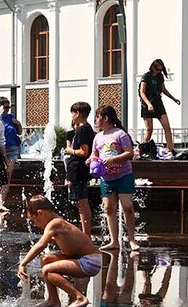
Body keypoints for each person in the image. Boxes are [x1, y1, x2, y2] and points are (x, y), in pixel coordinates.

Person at [18, 194, 102, 307]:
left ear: (41, 213)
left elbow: (41, 245)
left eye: (34, 220)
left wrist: (23, 263)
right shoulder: (57, 222)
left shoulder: (55, 224)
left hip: (89, 262)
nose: (35, 224)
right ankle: (53, 300)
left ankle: (80, 298)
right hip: (84, 259)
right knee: (46, 259)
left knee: (47, 270)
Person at [91, 105, 141, 252]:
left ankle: (131, 240)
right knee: (109, 208)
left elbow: (129, 153)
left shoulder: (120, 134)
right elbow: (94, 154)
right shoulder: (97, 137)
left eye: (97, 117)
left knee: (127, 207)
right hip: (106, 178)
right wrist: (92, 159)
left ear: (105, 118)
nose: (96, 120)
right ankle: (114, 241)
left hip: (123, 175)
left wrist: (114, 159)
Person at [64, 101, 95, 237]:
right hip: (78, 170)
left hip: (78, 170)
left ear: (78, 113)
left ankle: (86, 233)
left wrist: (70, 151)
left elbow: (84, 151)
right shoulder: (86, 128)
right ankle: (85, 232)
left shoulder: (83, 129)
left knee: (82, 201)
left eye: (73, 112)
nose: (71, 115)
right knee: (80, 201)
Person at [138, 59, 180, 156]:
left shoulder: (160, 77)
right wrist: (148, 104)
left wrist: (173, 99)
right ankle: (144, 149)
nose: (158, 71)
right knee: (149, 129)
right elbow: (142, 92)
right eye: (157, 69)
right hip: (147, 103)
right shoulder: (146, 76)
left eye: (160, 70)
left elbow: (163, 89)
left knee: (167, 127)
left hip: (158, 103)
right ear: (153, 67)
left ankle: (171, 149)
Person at [0, 97, 23, 203]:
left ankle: (1, 201)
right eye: (5, 107)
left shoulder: (11, 117)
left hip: (12, 148)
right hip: (0, 149)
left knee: (7, 175)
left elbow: (19, 132)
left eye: (9, 107)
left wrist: (18, 124)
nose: (7, 109)